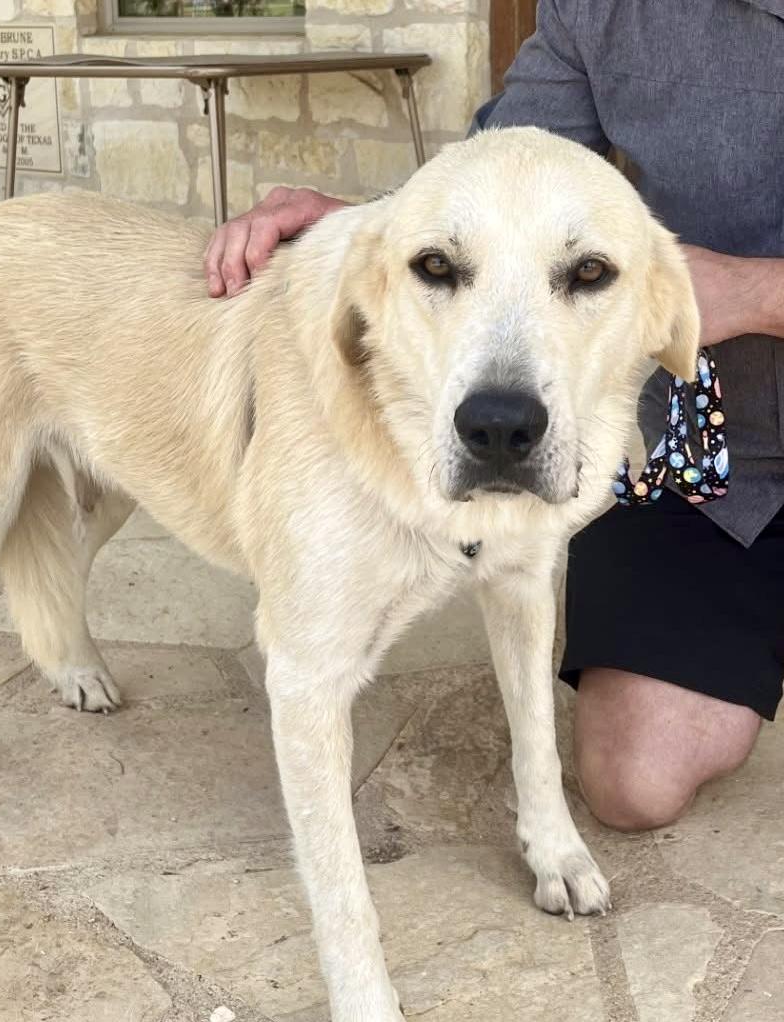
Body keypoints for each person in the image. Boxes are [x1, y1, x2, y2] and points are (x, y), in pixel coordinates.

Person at [203, 1, 784, 832]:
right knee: (633, 780)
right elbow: (497, 175)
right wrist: (374, 228)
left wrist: (755, 292)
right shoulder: (602, 9)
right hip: (714, 456)